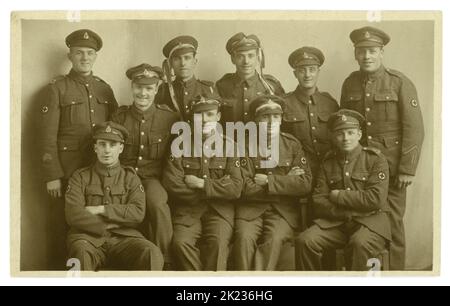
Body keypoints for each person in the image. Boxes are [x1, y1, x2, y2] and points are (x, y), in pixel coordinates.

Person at [340, 26, 424, 270]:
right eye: (362, 51)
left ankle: (396, 277)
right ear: (355, 54)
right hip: (360, 170)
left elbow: (415, 129)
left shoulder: (399, 83)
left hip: (393, 170)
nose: (367, 56)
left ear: (382, 52)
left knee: (393, 224)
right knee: (361, 226)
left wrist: (407, 169)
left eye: (372, 51)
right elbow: (346, 125)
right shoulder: (350, 83)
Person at [39, 29, 118, 269]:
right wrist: (52, 175)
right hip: (67, 168)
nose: (85, 58)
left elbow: (114, 129)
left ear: (95, 56)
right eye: (79, 53)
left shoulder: (104, 89)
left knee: (94, 220)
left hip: (97, 167)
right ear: (70, 56)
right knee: (62, 222)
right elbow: (46, 135)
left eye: (90, 53)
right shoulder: (56, 88)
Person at [296, 109, 391, 271]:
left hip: (370, 225)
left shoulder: (376, 159)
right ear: (333, 137)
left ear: (359, 134)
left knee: (359, 243)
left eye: (350, 132)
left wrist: (339, 195)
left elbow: (375, 199)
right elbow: (319, 201)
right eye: (340, 133)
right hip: (337, 225)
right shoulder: (328, 162)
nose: (346, 138)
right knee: (305, 240)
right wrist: (348, 213)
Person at [65, 121, 164, 271]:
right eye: (102, 144)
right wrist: (104, 226)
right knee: (81, 253)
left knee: (151, 253)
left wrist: (102, 209)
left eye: (112, 145)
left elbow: (137, 213)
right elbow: (73, 214)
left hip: (124, 238)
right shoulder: (80, 177)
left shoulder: (130, 177)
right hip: (88, 238)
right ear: (95, 147)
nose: (107, 150)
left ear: (121, 148)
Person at [162, 95, 243, 271]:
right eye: (199, 115)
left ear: (218, 117)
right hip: (188, 210)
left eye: (210, 114)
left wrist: (201, 185)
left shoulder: (230, 146)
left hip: (219, 211)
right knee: (180, 243)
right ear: (192, 117)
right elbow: (172, 183)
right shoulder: (179, 145)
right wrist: (218, 187)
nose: (205, 119)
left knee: (219, 244)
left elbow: (236, 187)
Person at [111, 63, 179, 269]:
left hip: (152, 178)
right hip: (123, 177)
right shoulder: (119, 117)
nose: (143, 93)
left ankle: (164, 262)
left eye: (149, 88)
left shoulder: (169, 118)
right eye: (139, 87)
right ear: (132, 87)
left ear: (157, 89)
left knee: (157, 204)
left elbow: (173, 156)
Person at [234, 95, 312, 270]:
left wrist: (269, 182)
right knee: (244, 239)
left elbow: (305, 183)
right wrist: (286, 182)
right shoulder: (244, 145)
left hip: (282, 212)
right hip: (250, 209)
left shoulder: (292, 145)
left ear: (281, 119)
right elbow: (244, 186)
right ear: (256, 120)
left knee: (274, 240)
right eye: (265, 117)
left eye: (275, 117)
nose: (271, 122)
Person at [216, 32, 285, 123]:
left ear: (257, 58)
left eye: (250, 56)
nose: (246, 62)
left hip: (262, 137)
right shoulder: (223, 86)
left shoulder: (271, 85)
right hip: (231, 137)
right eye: (240, 56)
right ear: (233, 59)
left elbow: (281, 120)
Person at [155, 35, 217, 121]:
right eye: (177, 59)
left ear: (195, 61)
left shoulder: (208, 90)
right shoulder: (163, 91)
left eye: (187, 58)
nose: (183, 63)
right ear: (171, 64)